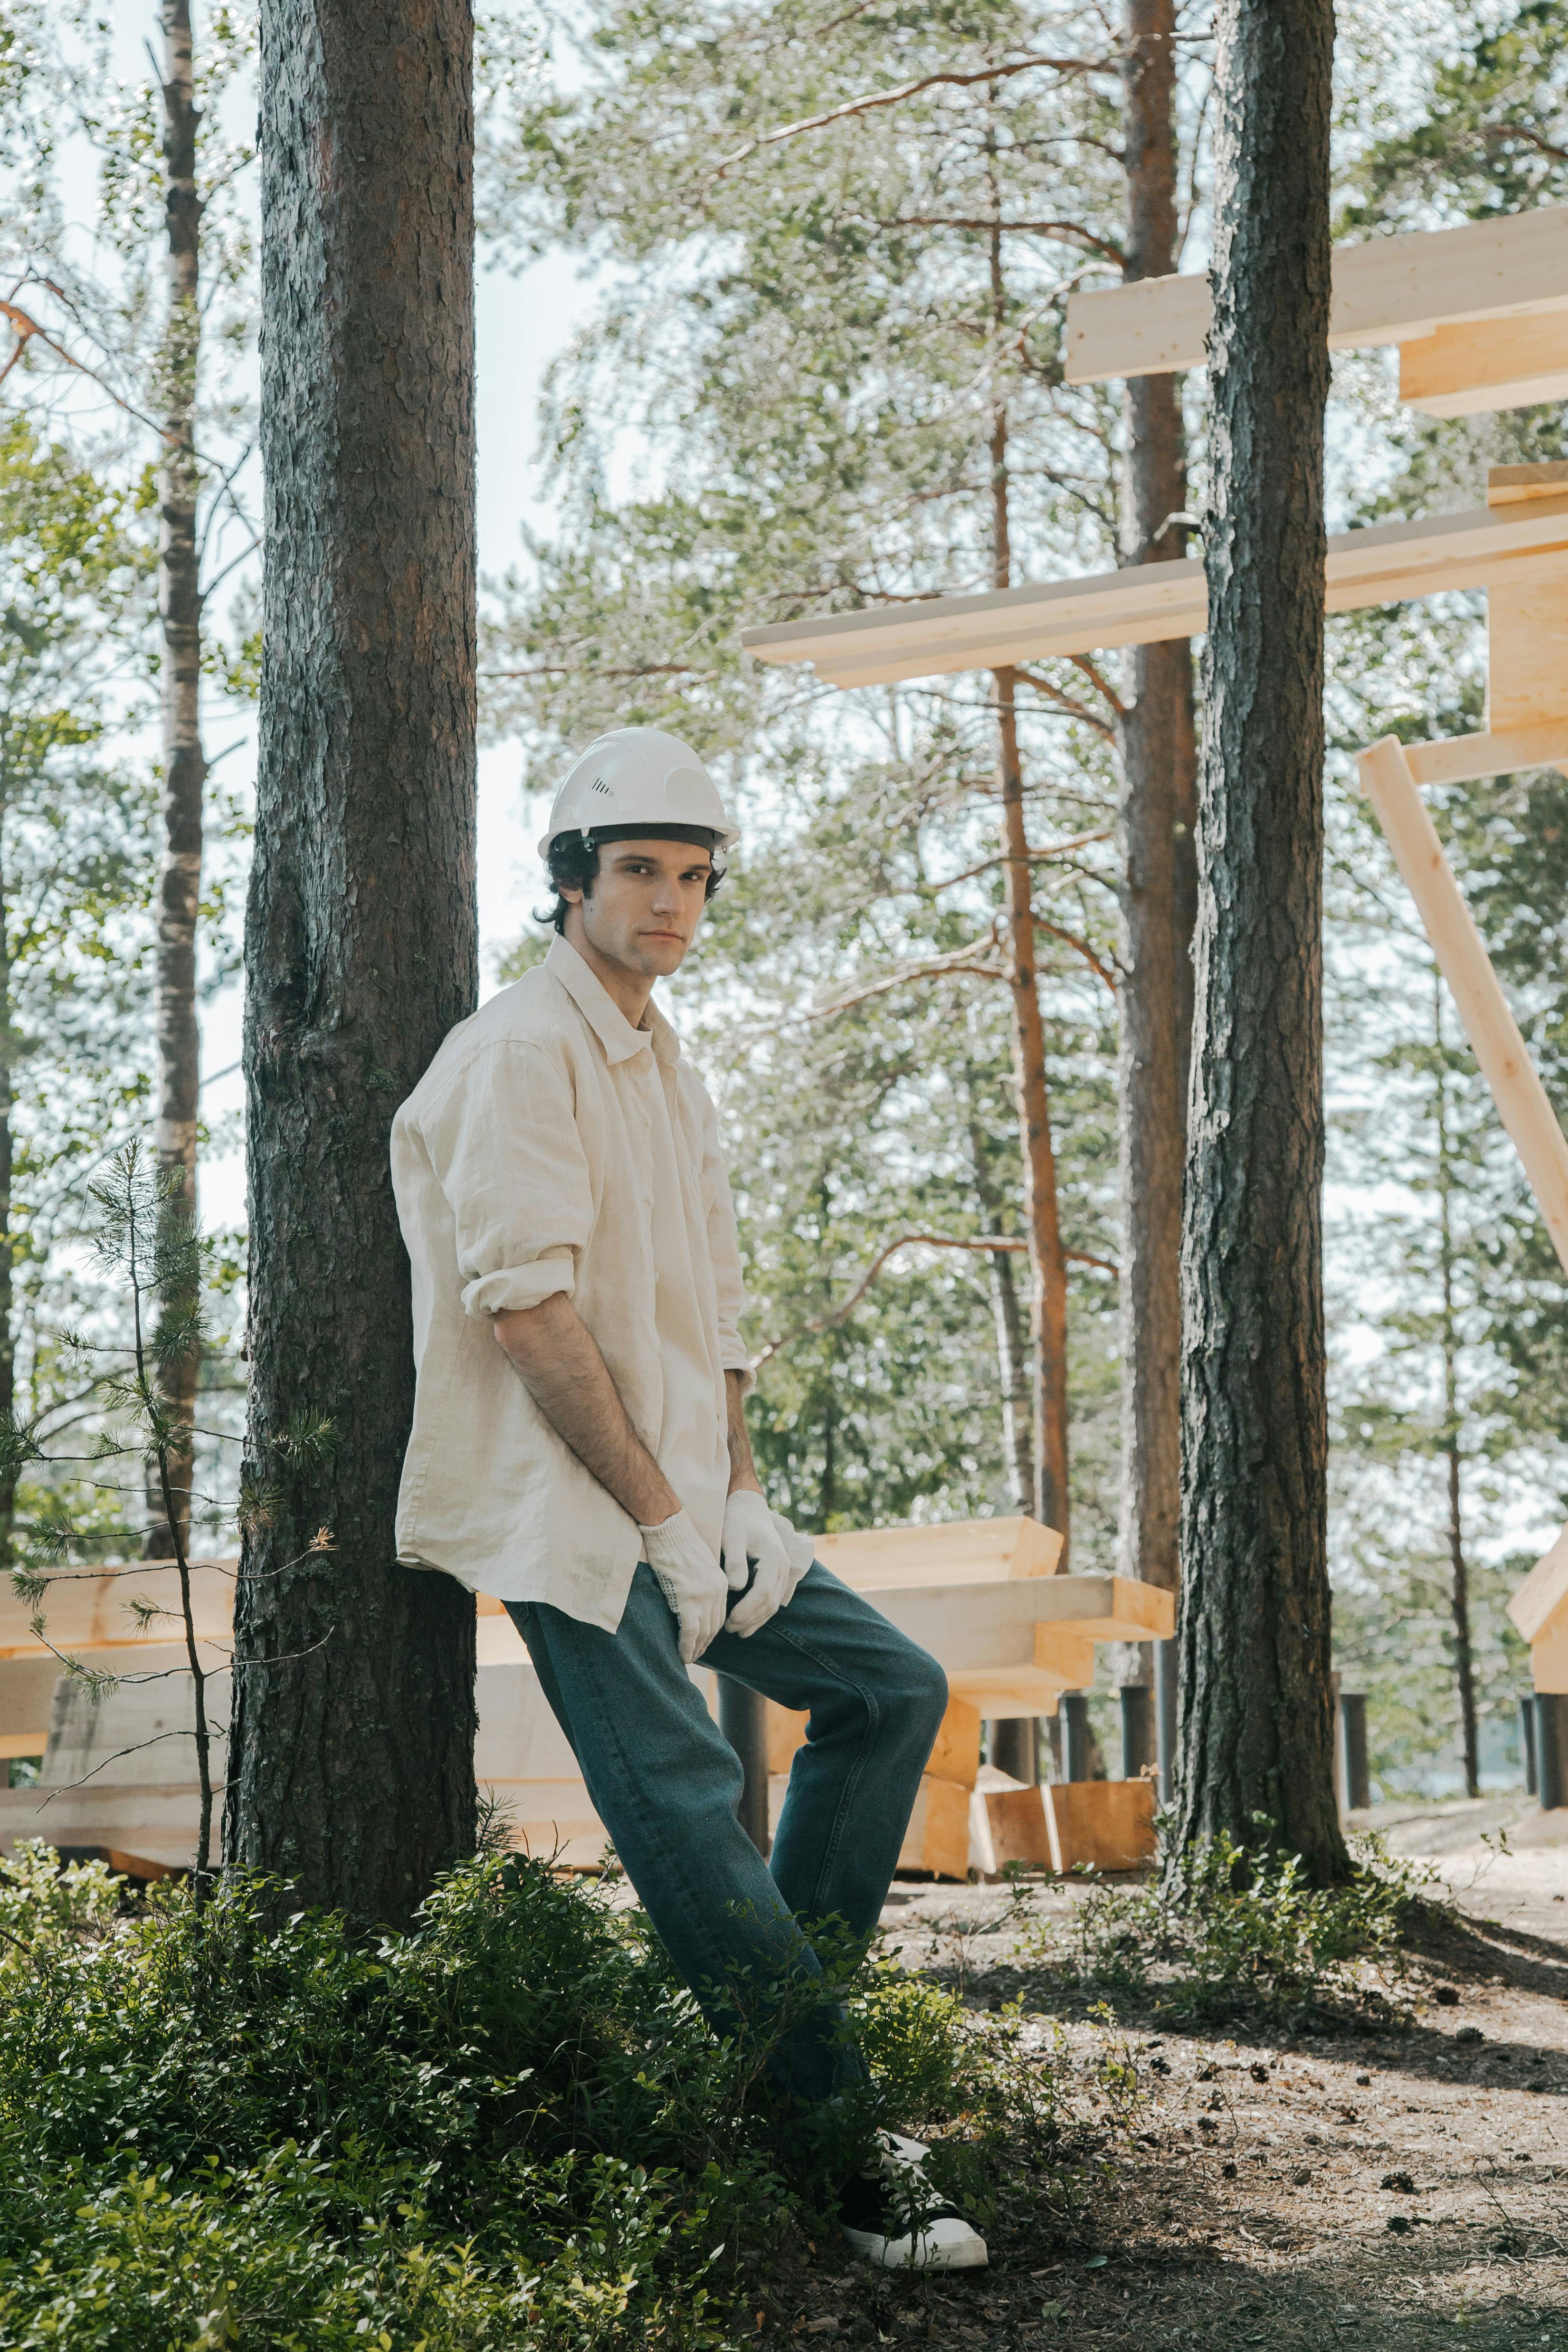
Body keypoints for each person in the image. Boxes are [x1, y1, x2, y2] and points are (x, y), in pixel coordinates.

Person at [391, 726, 986, 2271]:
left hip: (685, 1497)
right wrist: (657, 1515)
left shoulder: (663, 1057)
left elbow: (709, 1308)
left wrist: (728, 1502)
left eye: (695, 877)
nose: (670, 901)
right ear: (573, 880)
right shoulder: (521, 1050)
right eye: (640, 870)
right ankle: (841, 2153)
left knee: (890, 1691)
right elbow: (528, 1311)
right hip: (570, 1507)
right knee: (683, 1799)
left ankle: (779, 2056)